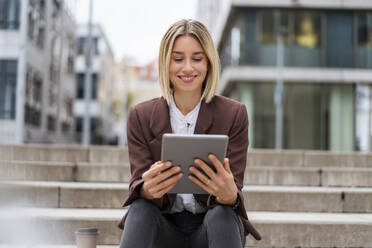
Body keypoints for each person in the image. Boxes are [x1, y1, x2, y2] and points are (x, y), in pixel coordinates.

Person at [118, 19, 261, 248]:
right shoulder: (140, 116)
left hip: (212, 229)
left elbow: (234, 193)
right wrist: (146, 189)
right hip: (163, 228)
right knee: (140, 209)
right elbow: (138, 183)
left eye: (197, 59)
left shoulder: (234, 114)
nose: (187, 68)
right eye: (177, 59)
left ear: (209, 63)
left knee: (222, 215)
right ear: (165, 63)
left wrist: (229, 193)